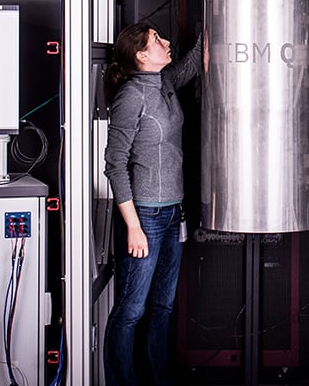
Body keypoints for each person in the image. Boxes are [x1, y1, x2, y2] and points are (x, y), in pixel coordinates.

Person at [101, 22, 202, 386]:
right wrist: (133, 226)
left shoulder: (164, 84)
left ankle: (157, 380)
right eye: (157, 40)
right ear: (142, 55)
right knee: (131, 311)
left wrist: (217, 11)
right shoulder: (131, 96)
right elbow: (114, 163)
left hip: (173, 212)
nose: (165, 41)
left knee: (162, 309)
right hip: (145, 215)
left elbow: (192, 63)